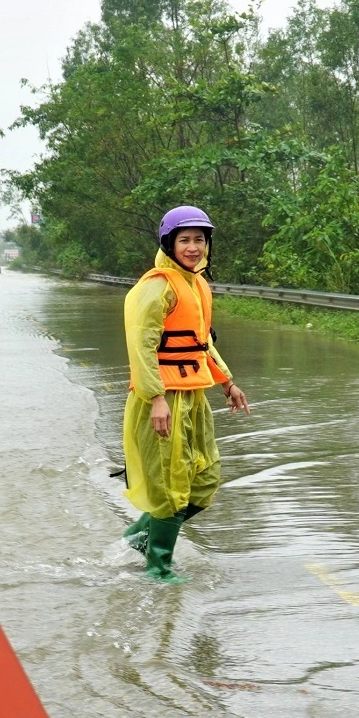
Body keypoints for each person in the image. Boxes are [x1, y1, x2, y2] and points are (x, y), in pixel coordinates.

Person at [119, 206, 250, 581]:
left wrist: (227, 382)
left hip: (194, 395)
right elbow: (141, 348)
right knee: (170, 485)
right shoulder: (156, 287)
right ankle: (158, 568)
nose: (193, 248)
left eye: (199, 240)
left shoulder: (197, 283)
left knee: (205, 480)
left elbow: (201, 344)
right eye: (185, 240)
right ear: (169, 243)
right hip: (161, 399)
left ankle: (141, 534)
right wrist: (156, 398)